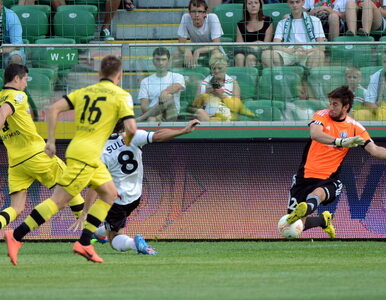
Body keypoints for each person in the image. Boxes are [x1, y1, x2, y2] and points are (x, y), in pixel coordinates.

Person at [4, 55, 137, 266]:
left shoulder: (84, 92)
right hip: (86, 155)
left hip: (84, 151)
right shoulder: (122, 96)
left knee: (109, 193)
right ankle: (17, 236)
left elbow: (54, 109)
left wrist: (51, 141)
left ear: (99, 74)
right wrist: (128, 141)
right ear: (119, 76)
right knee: (59, 200)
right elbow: (130, 129)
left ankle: (84, 243)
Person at [75, 119, 200, 254]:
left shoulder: (102, 151)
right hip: (135, 196)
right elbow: (158, 135)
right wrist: (183, 130)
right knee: (115, 223)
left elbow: (95, 185)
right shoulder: (133, 136)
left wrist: (86, 211)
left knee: (114, 239)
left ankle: (135, 243)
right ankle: (98, 234)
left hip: (116, 200)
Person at [286, 85, 386, 238]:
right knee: (292, 228)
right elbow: (315, 134)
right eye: (330, 103)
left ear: (346, 107)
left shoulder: (355, 127)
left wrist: (343, 141)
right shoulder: (321, 115)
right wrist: (340, 141)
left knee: (316, 194)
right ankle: (322, 220)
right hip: (304, 176)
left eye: (335, 104)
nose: (330, 108)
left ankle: (308, 206)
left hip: (329, 179)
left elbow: (375, 150)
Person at [0, 64, 84, 230]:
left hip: (16, 162)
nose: (26, 84)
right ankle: (91, 230)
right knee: (70, 185)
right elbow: (4, 112)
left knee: (16, 208)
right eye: (25, 79)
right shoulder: (18, 95)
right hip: (36, 154)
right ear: (16, 78)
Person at [261, 0, 325, 68]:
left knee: (319, 54)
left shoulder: (315, 20)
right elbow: (275, 45)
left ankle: (309, 76)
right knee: (266, 54)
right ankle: (278, 76)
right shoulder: (282, 22)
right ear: (288, 4)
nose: (294, 5)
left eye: (297, 2)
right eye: (292, 2)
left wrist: (307, 51)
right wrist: (290, 50)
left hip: (308, 52)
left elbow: (322, 46)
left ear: (303, 2)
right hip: (288, 52)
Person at [190, 53, 255, 121]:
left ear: (225, 68)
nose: (216, 71)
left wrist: (222, 96)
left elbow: (237, 107)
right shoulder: (203, 84)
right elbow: (193, 107)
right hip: (207, 116)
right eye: (214, 68)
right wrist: (204, 99)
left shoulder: (233, 83)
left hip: (227, 115)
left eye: (219, 68)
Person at [136, 47, 185, 122]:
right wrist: (158, 109)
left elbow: (177, 86)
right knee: (151, 119)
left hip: (172, 114)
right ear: (153, 61)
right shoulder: (145, 81)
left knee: (168, 97)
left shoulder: (177, 76)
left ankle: (141, 118)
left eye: (163, 59)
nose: (161, 63)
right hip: (154, 115)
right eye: (158, 59)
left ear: (168, 61)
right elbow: (144, 108)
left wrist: (165, 92)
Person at [175, 0, 224, 68]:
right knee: (177, 53)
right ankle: (177, 77)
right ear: (189, 13)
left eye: (200, 11)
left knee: (215, 53)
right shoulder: (185, 18)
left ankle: (215, 77)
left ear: (205, 13)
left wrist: (199, 51)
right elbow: (181, 44)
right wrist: (187, 50)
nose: (196, 15)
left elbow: (216, 45)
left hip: (211, 50)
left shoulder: (212, 18)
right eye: (193, 11)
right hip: (195, 50)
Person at [234, 0, 274, 67]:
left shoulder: (268, 21)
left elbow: (266, 45)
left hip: (262, 52)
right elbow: (239, 45)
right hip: (245, 52)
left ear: (260, 5)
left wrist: (248, 45)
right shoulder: (240, 24)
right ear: (246, 6)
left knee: (250, 57)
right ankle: (240, 77)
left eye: (256, 2)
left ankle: (249, 77)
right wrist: (256, 43)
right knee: (239, 57)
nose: (253, 5)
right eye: (250, 3)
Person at [0, 0, 25, 66]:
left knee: (15, 58)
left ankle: (14, 76)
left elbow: (17, 45)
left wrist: (1, 50)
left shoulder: (11, 16)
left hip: (8, 51)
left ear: (1, 5)